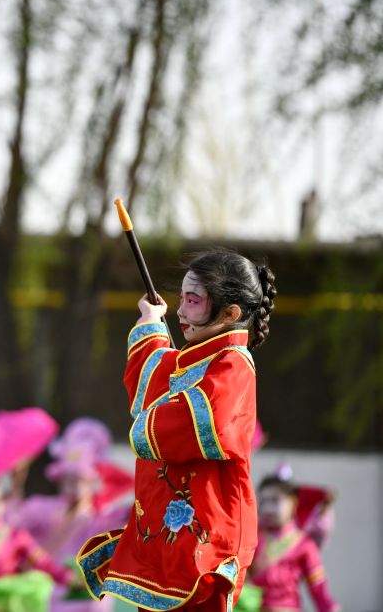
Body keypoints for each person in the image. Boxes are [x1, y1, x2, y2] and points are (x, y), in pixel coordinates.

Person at [77, 251, 277, 611]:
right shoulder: (196, 361)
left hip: (207, 537)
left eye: (193, 301)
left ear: (231, 314)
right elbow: (153, 381)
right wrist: (152, 321)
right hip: (170, 537)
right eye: (181, 298)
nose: (181, 311)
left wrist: (152, 421)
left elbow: (195, 423)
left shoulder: (233, 366)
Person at [9, 418, 134, 611]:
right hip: (47, 597)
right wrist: (16, 484)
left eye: (80, 481)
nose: (73, 487)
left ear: (93, 482)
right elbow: (12, 524)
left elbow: (128, 521)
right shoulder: (42, 508)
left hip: (86, 600)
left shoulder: (101, 516)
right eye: (68, 480)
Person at [0, 476, 74, 612]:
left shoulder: (16, 536)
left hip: (13, 604)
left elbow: (42, 562)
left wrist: (66, 577)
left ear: (3, 502)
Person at [248, 476, 340, 612]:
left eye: (275, 500)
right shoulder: (250, 536)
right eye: (262, 501)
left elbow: (318, 586)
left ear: (293, 503)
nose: (267, 508)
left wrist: (329, 607)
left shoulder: (304, 545)